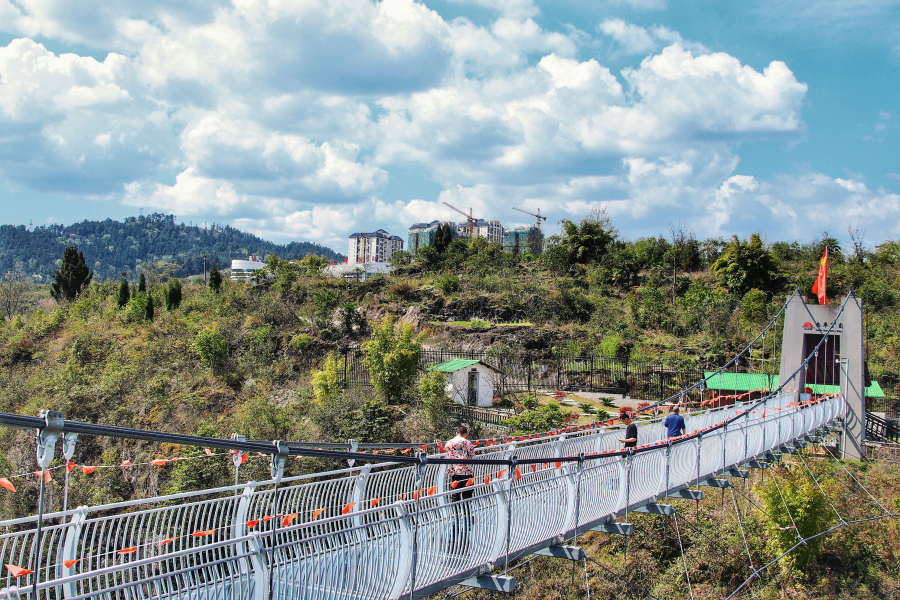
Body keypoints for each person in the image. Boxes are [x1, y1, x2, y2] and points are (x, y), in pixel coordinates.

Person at [445, 426, 475, 502]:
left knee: (455, 494)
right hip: (466, 471)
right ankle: (467, 513)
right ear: (465, 434)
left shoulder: (449, 442)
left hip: (455, 471)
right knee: (467, 495)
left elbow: (446, 451)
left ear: (456, 433)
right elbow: (472, 454)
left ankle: (456, 513)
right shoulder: (467, 442)